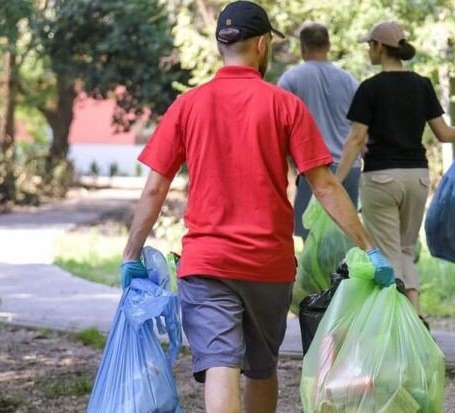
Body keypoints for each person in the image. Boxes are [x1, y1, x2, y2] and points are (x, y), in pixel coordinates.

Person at [119, 3, 395, 412]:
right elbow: (325, 185)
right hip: (268, 265)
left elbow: (154, 189)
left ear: (219, 46)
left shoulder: (188, 105)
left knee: (219, 365)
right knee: (260, 368)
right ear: (263, 45)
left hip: (207, 263)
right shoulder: (284, 106)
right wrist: (370, 247)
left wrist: (131, 254)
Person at [335, 21, 455, 314]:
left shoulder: (370, 88)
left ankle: (399, 323)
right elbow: (443, 134)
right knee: (404, 251)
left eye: (369, 45)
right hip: (417, 177)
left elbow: (356, 138)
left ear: (379, 47)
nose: (368, 50)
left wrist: (336, 181)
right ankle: (414, 316)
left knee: (387, 253)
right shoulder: (422, 84)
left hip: (381, 179)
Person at [278, 22, 361, 240]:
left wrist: (292, 167)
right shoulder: (349, 80)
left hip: (313, 170)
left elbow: (279, 129)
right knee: (347, 239)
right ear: (329, 46)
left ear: (303, 47)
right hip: (349, 168)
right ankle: (346, 276)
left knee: (312, 240)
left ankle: (317, 276)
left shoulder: (291, 79)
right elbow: (361, 129)